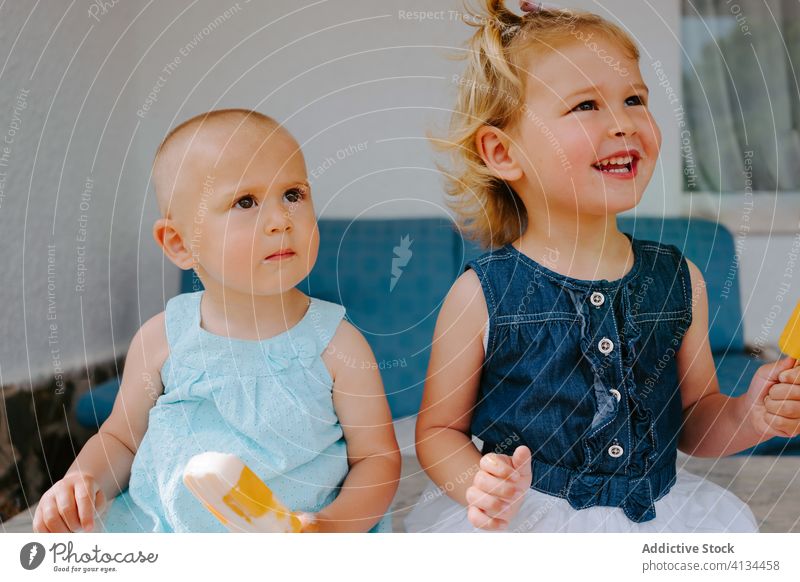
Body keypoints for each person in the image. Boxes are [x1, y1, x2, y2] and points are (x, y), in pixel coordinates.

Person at [409, 1, 800, 532]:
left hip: (658, 515)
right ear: (503, 153)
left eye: (635, 98)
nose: (622, 122)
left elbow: (696, 420)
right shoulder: (481, 293)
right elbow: (437, 431)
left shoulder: (681, 281)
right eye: (586, 105)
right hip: (529, 520)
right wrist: (478, 483)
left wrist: (748, 416)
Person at [34, 109, 400, 533]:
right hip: (164, 535)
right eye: (245, 202)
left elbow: (377, 459)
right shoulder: (161, 340)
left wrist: (332, 528)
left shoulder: (338, 345)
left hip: (294, 542)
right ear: (180, 243)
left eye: (294, 194)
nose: (282, 220)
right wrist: (81, 479)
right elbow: (120, 439)